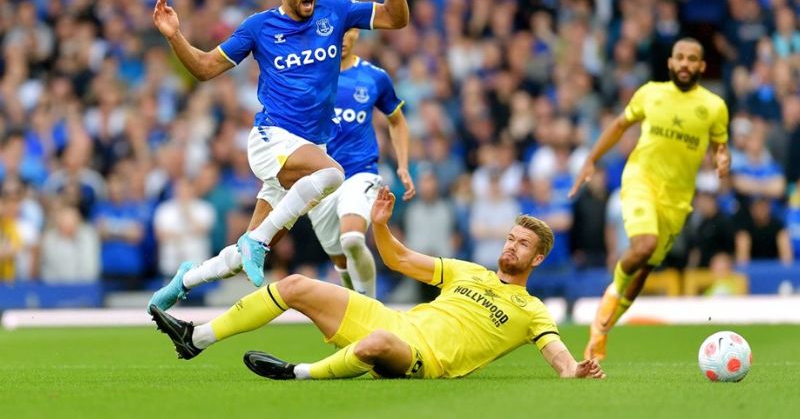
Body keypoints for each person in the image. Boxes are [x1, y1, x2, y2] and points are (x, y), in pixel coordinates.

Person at [147, 0, 409, 311]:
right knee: (333, 174)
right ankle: (257, 243)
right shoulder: (259, 27)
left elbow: (396, 18)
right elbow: (204, 68)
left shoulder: (335, 11)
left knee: (243, 255)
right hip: (272, 139)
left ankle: (183, 281)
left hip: (307, 152)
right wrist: (174, 35)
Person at [150, 187, 606, 381]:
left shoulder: (532, 310)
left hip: (424, 358)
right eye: (510, 238)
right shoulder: (469, 271)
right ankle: (197, 338)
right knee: (296, 285)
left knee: (377, 344)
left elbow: (559, 358)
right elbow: (398, 258)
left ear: (537, 258)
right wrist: (381, 225)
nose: (511, 247)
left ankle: (298, 373)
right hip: (394, 321)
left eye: (522, 244)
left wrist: (574, 370)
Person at [569, 37, 731, 360]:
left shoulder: (714, 106)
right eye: (679, 57)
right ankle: (609, 300)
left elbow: (720, 147)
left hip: (677, 199)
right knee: (643, 245)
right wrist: (591, 159)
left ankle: (601, 331)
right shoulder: (650, 93)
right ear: (670, 62)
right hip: (640, 179)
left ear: (701, 66)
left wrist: (723, 159)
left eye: (692, 59)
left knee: (644, 270)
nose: (684, 63)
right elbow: (620, 125)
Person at [307, 27, 415, 298]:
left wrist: (402, 164)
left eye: (348, 31)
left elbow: (397, 121)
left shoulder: (374, 77)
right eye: (337, 32)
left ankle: (370, 307)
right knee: (341, 260)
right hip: (319, 178)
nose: (342, 39)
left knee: (352, 239)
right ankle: (355, 308)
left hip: (360, 172)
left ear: (357, 32)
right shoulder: (308, 74)